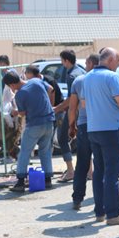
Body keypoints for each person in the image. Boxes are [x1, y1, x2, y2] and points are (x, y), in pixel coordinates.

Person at [83, 47, 119, 225]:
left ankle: (100, 212)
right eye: (118, 61)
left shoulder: (87, 77)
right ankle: (113, 215)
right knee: (112, 173)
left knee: (99, 172)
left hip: (93, 129)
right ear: (110, 60)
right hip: (110, 129)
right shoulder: (112, 77)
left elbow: (84, 103)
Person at [3, 71, 55, 192]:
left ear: (12, 85)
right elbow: (50, 89)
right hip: (49, 122)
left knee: (24, 152)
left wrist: (15, 112)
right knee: (45, 151)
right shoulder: (36, 81)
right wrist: (44, 103)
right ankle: (47, 180)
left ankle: (20, 182)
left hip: (34, 125)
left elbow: (22, 113)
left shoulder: (20, 95)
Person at [68, 53, 99, 210]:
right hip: (101, 125)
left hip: (84, 126)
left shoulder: (79, 81)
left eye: (86, 63)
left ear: (91, 63)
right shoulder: (106, 79)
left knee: (82, 163)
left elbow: (72, 107)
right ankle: (101, 198)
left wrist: (71, 126)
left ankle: (77, 198)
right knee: (101, 163)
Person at [54, 49, 84, 182]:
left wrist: (57, 108)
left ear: (66, 61)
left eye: (62, 61)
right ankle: (89, 171)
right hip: (84, 111)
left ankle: (71, 170)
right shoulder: (81, 71)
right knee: (83, 141)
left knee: (62, 138)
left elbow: (72, 99)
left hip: (75, 111)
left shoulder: (71, 75)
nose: (62, 63)